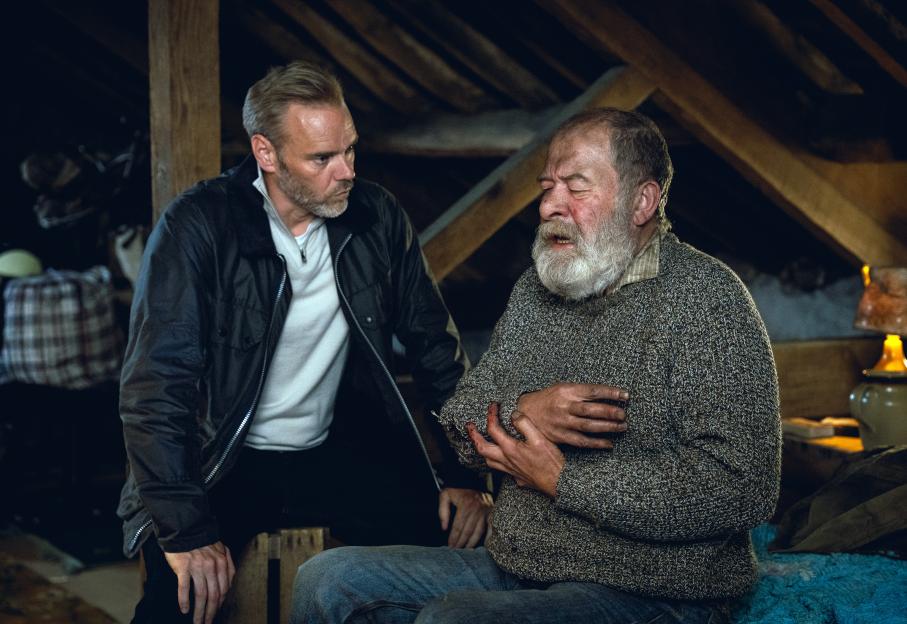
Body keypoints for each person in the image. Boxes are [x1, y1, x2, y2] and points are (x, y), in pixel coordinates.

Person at [291, 108, 781, 624]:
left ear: (642, 202)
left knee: (455, 620)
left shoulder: (707, 300)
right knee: (326, 581)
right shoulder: (537, 294)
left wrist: (563, 480)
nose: (549, 204)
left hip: (654, 592)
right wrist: (522, 413)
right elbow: (461, 422)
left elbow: (743, 487)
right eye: (548, 186)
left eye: (576, 186)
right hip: (519, 565)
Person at [117, 61, 492, 624]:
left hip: (336, 445)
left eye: (350, 150)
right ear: (266, 153)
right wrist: (185, 528)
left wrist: (467, 476)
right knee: (181, 605)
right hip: (225, 456)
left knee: (445, 561)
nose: (345, 172)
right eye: (321, 158)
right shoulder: (198, 226)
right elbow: (155, 388)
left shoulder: (375, 216)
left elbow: (435, 349)